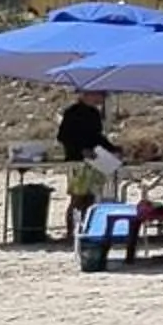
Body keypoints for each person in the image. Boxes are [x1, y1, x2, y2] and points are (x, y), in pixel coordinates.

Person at [57, 90, 117, 237]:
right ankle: (71, 232)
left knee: (91, 197)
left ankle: (86, 229)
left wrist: (113, 149)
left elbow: (97, 137)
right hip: (78, 161)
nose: (101, 98)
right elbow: (63, 137)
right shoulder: (72, 112)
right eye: (99, 95)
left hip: (94, 160)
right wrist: (81, 150)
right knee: (77, 197)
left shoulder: (94, 113)